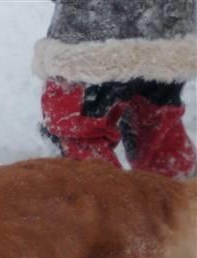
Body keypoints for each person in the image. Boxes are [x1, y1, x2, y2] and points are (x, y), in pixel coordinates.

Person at [33, 0, 197, 178]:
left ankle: (106, 201)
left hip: (91, 35)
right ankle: (181, 197)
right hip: (169, 27)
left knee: (80, 145)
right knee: (158, 131)